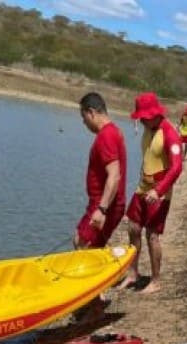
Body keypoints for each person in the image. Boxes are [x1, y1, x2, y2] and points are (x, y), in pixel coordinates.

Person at [116, 92, 183, 294]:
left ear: (154, 114)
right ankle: (133, 273)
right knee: (133, 228)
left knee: (152, 235)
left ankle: (155, 281)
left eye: (144, 117)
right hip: (143, 188)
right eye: (141, 118)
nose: (142, 121)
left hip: (160, 193)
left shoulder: (169, 133)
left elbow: (177, 167)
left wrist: (159, 190)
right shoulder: (147, 129)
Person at [72, 92, 127, 322]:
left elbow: (114, 175)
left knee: (84, 247)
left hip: (105, 205)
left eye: (84, 118)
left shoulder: (106, 136)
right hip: (103, 203)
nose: (84, 123)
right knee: (82, 242)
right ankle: (94, 299)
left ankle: (95, 306)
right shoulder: (113, 132)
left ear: (92, 112)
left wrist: (102, 209)